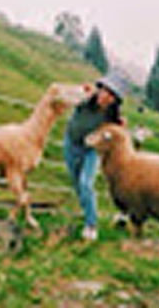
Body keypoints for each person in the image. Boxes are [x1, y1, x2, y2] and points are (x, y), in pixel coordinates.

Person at [64, 73, 126, 241]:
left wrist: (119, 128)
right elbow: (67, 97)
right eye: (104, 90)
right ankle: (86, 211)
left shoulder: (111, 116)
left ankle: (91, 224)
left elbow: (115, 133)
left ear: (114, 100)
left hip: (91, 149)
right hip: (71, 143)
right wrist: (79, 91)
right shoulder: (85, 99)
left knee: (86, 183)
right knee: (78, 184)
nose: (105, 96)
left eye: (111, 95)